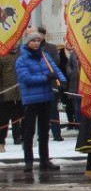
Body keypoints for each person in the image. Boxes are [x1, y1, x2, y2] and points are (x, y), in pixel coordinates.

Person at [16, 31, 66, 172]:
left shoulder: (44, 56)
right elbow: (27, 79)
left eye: (38, 40)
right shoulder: (22, 60)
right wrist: (46, 78)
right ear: (28, 42)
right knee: (29, 132)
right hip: (31, 100)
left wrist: (62, 81)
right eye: (33, 41)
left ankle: (44, 160)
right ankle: (28, 161)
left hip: (46, 98)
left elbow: (55, 69)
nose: (36, 43)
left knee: (44, 132)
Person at [36, 27, 64, 141]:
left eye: (40, 34)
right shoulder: (31, 49)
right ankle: (41, 134)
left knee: (53, 110)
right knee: (40, 111)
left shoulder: (51, 48)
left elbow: (56, 62)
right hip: (38, 83)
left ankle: (56, 133)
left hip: (51, 84)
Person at [0, 43, 22, 152]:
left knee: (18, 117)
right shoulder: (2, 55)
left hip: (20, 92)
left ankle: (18, 137)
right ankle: (1, 142)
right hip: (6, 93)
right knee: (3, 119)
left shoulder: (22, 54)